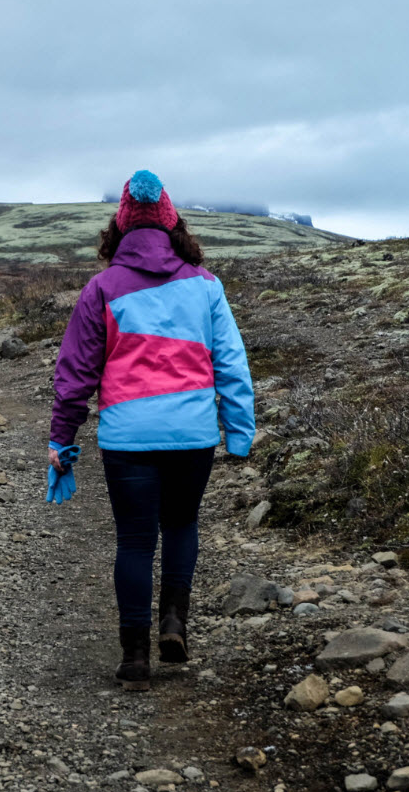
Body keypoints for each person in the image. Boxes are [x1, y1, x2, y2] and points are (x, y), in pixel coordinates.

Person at [46, 170, 255, 691]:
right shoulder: (206, 286)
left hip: (128, 438)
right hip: (193, 436)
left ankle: (135, 658)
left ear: (118, 229)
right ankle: (174, 624)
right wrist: (239, 431)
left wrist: (61, 439)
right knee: (182, 526)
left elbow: (75, 373)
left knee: (136, 542)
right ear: (171, 224)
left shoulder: (101, 288)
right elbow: (231, 362)